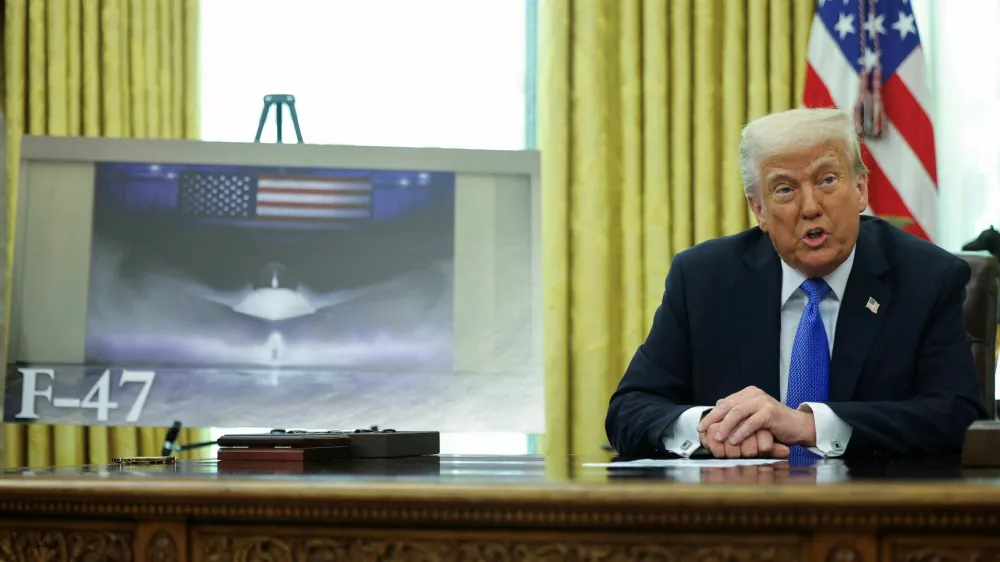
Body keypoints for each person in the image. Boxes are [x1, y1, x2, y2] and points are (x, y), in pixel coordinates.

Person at [605, 107, 987, 460]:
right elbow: (630, 409)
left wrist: (807, 426)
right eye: (785, 189)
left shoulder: (927, 278)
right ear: (759, 210)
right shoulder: (704, 278)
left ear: (860, 190)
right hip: (740, 518)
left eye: (827, 180)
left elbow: (957, 416)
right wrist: (712, 428)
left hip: (872, 518)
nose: (810, 207)